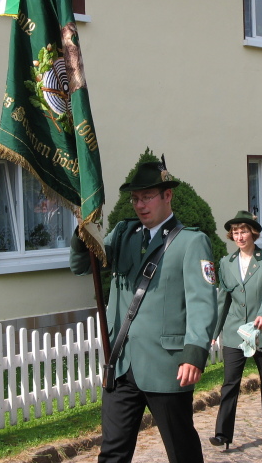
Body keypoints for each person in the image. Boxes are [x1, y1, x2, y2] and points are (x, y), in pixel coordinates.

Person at [70, 160, 218, 463]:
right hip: (121, 363)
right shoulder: (123, 233)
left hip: (166, 366)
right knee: (112, 452)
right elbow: (83, 265)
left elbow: (202, 302)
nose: (140, 205)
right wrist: (82, 231)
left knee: (181, 451)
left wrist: (194, 353)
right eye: (135, 198)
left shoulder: (191, 242)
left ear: (167, 195)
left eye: (147, 197)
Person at [210, 211, 262, 449]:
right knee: (230, 383)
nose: (239, 236)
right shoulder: (226, 263)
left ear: (253, 233)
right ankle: (223, 434)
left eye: (243, 231)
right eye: (235, 232)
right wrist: (214, 332)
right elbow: (223, 299)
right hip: (235, 332)